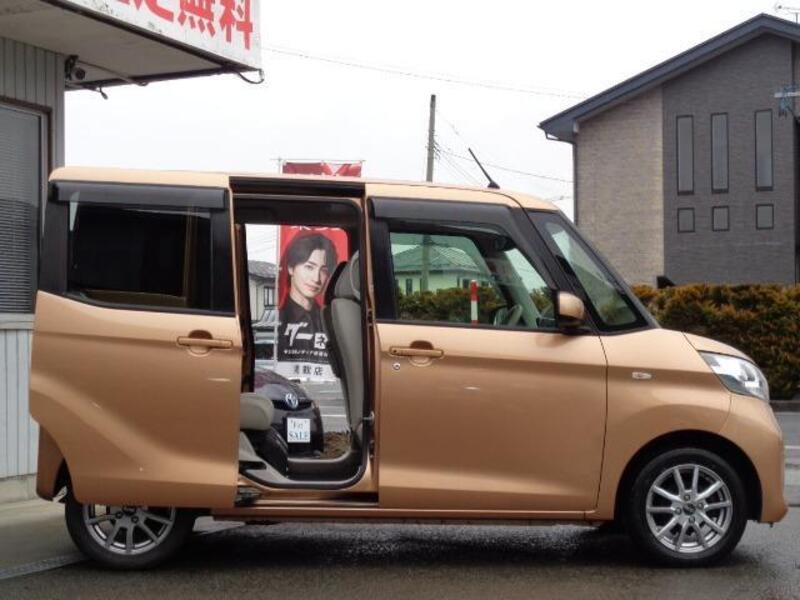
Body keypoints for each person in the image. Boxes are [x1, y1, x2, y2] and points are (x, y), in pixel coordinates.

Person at [277, 233, 339, 365]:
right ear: (291, 268)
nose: (316, 278)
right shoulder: (277, 320)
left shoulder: (331, 321)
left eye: (323, 270)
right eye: (309, 267)